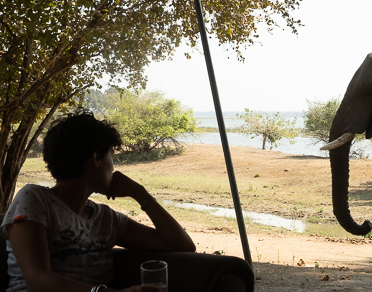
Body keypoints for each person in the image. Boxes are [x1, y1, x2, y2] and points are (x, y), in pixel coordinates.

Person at [0, 109, 246, 292]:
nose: (113, 166)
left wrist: (141, 194)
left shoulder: (105, 219)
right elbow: (38, 280)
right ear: (96, 157)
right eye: (111, 156)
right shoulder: (34, 199)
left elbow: (182, 244)